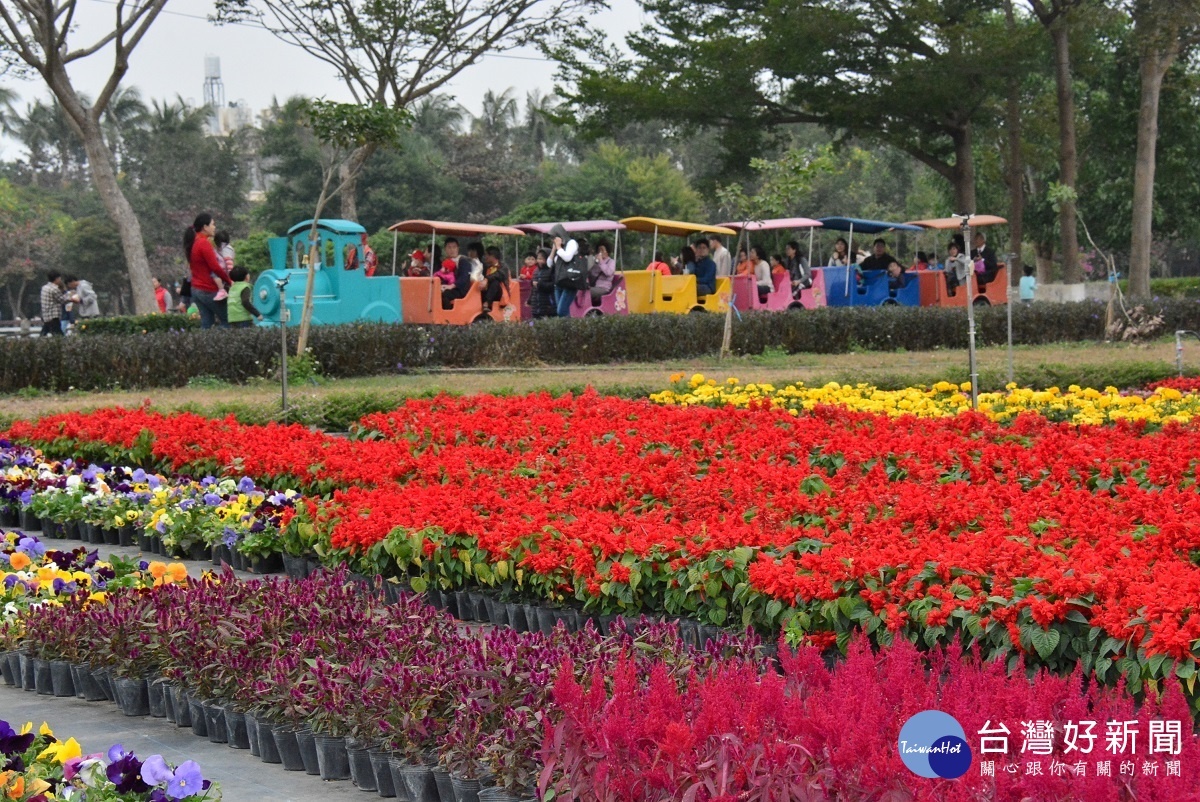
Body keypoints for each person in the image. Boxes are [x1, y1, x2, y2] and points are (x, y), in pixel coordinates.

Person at [184, 212, 233, 328]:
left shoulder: (194, 242)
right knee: (227, 320)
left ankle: (201, 345)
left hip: (196, 289)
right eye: (212, 224)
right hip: (207, 289)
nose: (214, 227)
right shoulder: (203, 243)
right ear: (205, 227)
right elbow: (215, 267)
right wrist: (229, 281)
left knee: (206, 323)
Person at [549, 223, 580, 317]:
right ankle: (568, 330)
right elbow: (549, 264)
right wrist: (554, 250)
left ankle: (571, 329)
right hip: (559, 283)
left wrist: (558, 247)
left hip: (569, 282)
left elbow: (567, 257)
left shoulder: (571, 243)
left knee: (561, 311)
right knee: (562, 313)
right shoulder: (559, 248)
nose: (553, 240)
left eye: (554, 237)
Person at [481, 246, 510, 314]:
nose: (485, 257)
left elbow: (498, 274)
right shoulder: (486, 266)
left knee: (495, 282)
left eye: (487, 255)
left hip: (500, 292)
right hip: (486, 290)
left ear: (492, 256)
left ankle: (487, 302)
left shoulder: (503, 266)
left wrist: (486, 279)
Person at [588, 239, 617, 305]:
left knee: (586, 292)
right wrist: (592, 262)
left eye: (602, 250)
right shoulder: (596, 262)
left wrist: (601, 261)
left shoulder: (611, 262)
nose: (601, 252)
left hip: (603, 288)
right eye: (599, 250)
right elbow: (591, 274)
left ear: (607, 251)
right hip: (594, 286)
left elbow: (608, 272)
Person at [531, 248, 556, 318]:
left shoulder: (552, 270)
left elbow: (553, 286)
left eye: (542, 259)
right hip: (536, 306)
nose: (539, 261)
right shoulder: (536, 271)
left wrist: (540, 285)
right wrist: (530, 300)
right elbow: (533, 289)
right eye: (538, 259)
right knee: (533, 324)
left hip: (548, 306)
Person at [39, 271, 65, 336]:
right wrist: (72, 298)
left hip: (46, 315)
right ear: (56, 279)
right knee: (58, 335)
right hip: (54, 315)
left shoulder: (44, 288)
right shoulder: (54, 289)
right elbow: (62, 300)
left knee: (43, 333)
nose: (60, 280)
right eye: (60, 278)